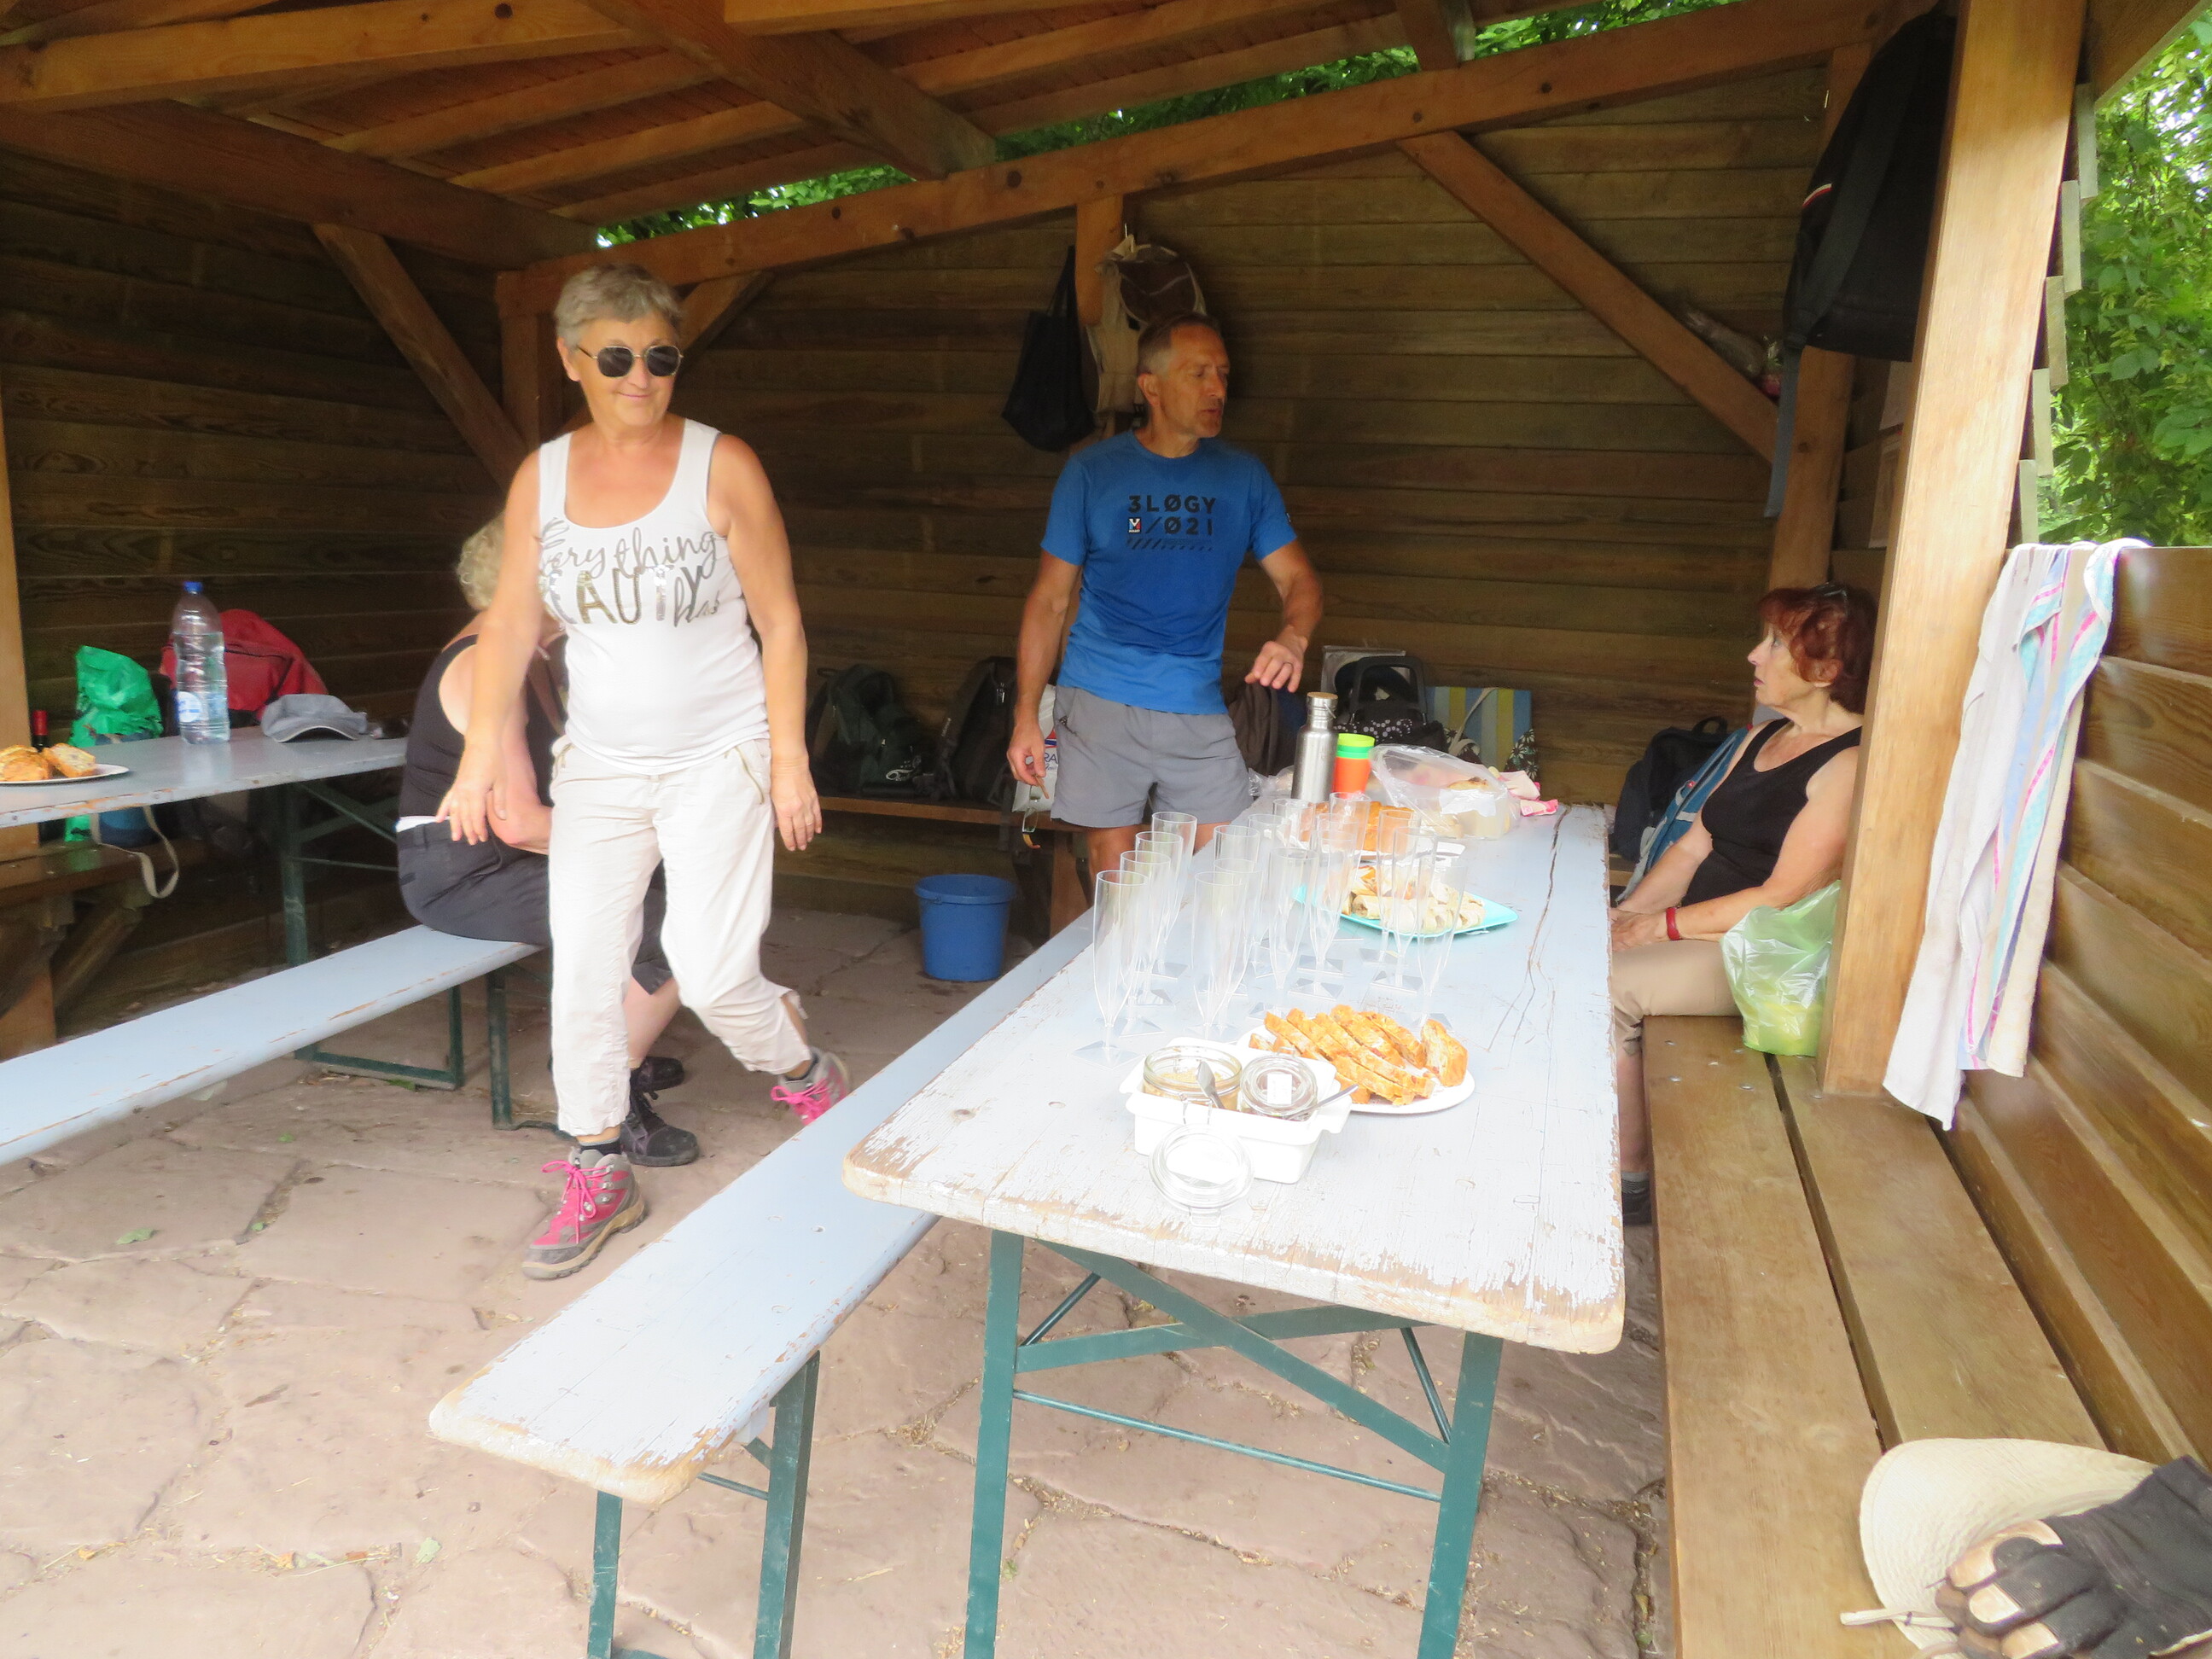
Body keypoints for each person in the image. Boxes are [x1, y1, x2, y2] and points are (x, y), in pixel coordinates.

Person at [438, 262, 846, 1281]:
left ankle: (802, 1067)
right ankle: (597, 1164)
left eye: (661, 358)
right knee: (584, 965)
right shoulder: (542, 478)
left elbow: (781, 621)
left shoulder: (722, 466)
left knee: (709, 968)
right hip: (602, 767)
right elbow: (513, 622)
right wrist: (480, 755)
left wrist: (789, 760)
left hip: (720, 755)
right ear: (572, 359)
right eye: (616, 357)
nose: (640, 378)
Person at [394, 520, 696, 1166]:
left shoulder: (520, 655)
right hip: (464, 874)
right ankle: (603, 1090)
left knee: (674, 890)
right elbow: (522, 823)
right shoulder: (489, 666)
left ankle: (608, 1053)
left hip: (496, 859)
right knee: (684, 925)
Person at [1006, 312, 1323, 870]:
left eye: (1223, 374)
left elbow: (1299, 579)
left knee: (1224, 870)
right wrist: (1026, 714)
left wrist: (1294, 637)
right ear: (1150, 387)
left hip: (1196, 704)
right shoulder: (1092, 474)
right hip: (1100, 699)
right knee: (1115, 875)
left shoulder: (1244, 477)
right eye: (1198, 374)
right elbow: (1049, 601)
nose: (1217, 389)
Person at [1609, 582, 1875, 1225]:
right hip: (1701, 932)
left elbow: (1781, 896)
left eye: (1777, 644)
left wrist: (1656, 930)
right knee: (1580, 948)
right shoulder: (1764, 737)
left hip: (1761, 953)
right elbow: (1694, 846)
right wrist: (1625, 914)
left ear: (1827, 670)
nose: (1756, 655)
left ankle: (1629, 1179)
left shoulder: (1849, 766)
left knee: (1607, 988)